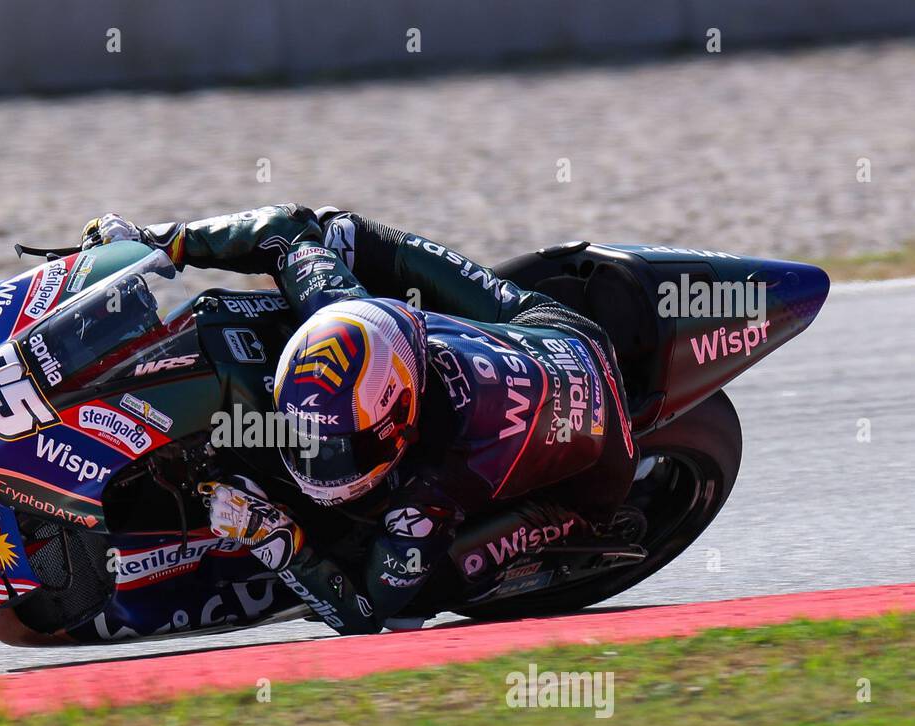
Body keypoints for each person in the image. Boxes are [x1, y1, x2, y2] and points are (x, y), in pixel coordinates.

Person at [80, 205, 638, 634]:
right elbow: (285, 228)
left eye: (340, 447)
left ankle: (558, 538)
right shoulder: (335, 308)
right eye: (309, 435)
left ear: (400, 421)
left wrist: (272, 536)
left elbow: (365, 615)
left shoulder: (435, 487)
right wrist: (161, 244)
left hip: (592, 458)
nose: (320, 462)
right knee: (339, 231)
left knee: (414, 595)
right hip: (523, 337)